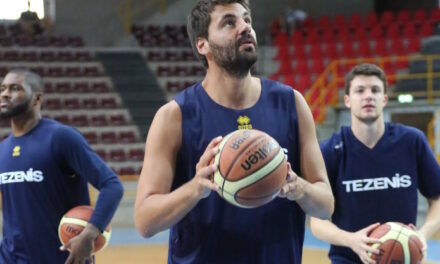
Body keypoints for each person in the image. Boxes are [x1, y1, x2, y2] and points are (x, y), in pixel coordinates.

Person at [134, 1, 334, 263]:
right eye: (229, 22)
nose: (245, 28)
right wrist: (195, 188)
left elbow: (325, 204)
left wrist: (299, 188)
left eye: (247, 20)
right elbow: (145, 221)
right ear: (202, 44)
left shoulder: (292, 103)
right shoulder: (174, 116)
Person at [310, 63, 440, 264]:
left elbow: (437, 198)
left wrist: (422, 235)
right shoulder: (330, 150)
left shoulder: (412, 141)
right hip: (348, 259)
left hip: (402, 259)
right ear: (347, 100)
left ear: (385, 99)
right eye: (360, 91)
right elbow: (317, 221)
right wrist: (352, 240)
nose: (368, 96)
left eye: (375, 90)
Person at [0, 68, 124, 263]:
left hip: (63, 258)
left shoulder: (60, 137)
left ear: (37, 99)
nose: (5, 93)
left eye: (15, 88)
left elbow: (112, 185)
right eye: (3, 88)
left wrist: (91, 232)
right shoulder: (2, 150)